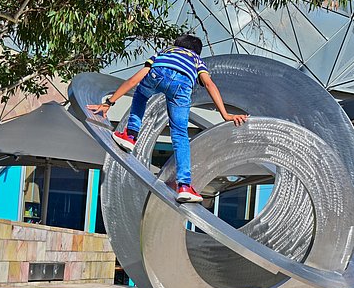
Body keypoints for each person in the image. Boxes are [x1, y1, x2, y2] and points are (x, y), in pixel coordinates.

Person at [86, 34, 247, 203]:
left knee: (141, 94)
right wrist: (225, 114)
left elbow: (134, 79)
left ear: (177, 44)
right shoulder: (196, 60)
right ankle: (184, 186)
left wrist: (109, 103)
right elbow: (209, 84)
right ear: (196, 51)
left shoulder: (165, 52)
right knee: (180, 135)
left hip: (158, 74)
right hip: (183, 85)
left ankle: (131, 135)